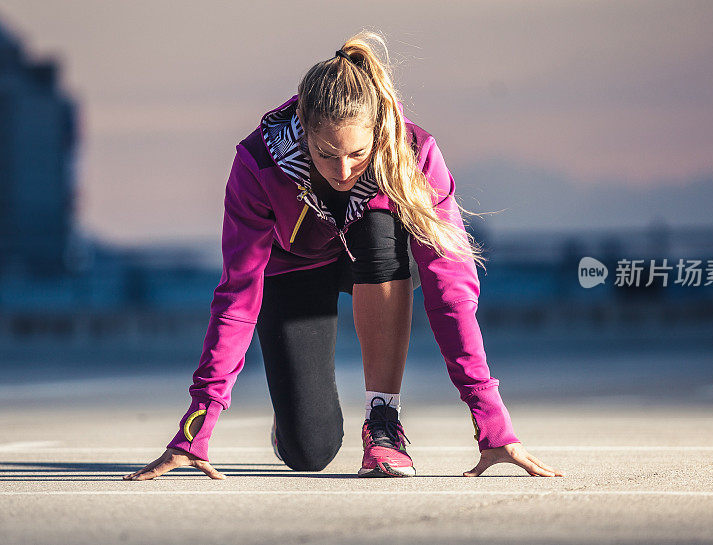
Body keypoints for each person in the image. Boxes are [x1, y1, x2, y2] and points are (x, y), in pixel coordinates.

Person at [123, 31, 563, 481]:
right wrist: (195, 428)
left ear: (377, 131)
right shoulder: (257, 164)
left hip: (377, 258)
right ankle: (290, 420)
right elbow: (238, 295)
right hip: (294, 266)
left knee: (380, 220)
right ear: (302, 127)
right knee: (309, 451)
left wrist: (493, 424)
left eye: (357, 153)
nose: (344, 170)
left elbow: (451, 290)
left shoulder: (412, 154)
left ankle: (383, 424)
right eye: (326, 154)